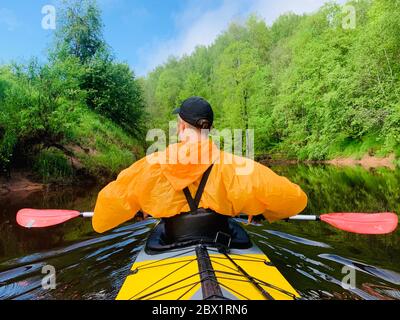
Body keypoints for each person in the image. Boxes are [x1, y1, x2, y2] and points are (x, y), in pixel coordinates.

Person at [92, 97, 308, 234]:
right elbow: (296, 201)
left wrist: (138, 209)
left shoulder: (151, 165)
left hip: (172, 239)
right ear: (209, 128)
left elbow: (101, 220)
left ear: (182, 126)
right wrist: (262, 210)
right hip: (221, 239)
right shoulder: (236, 166)